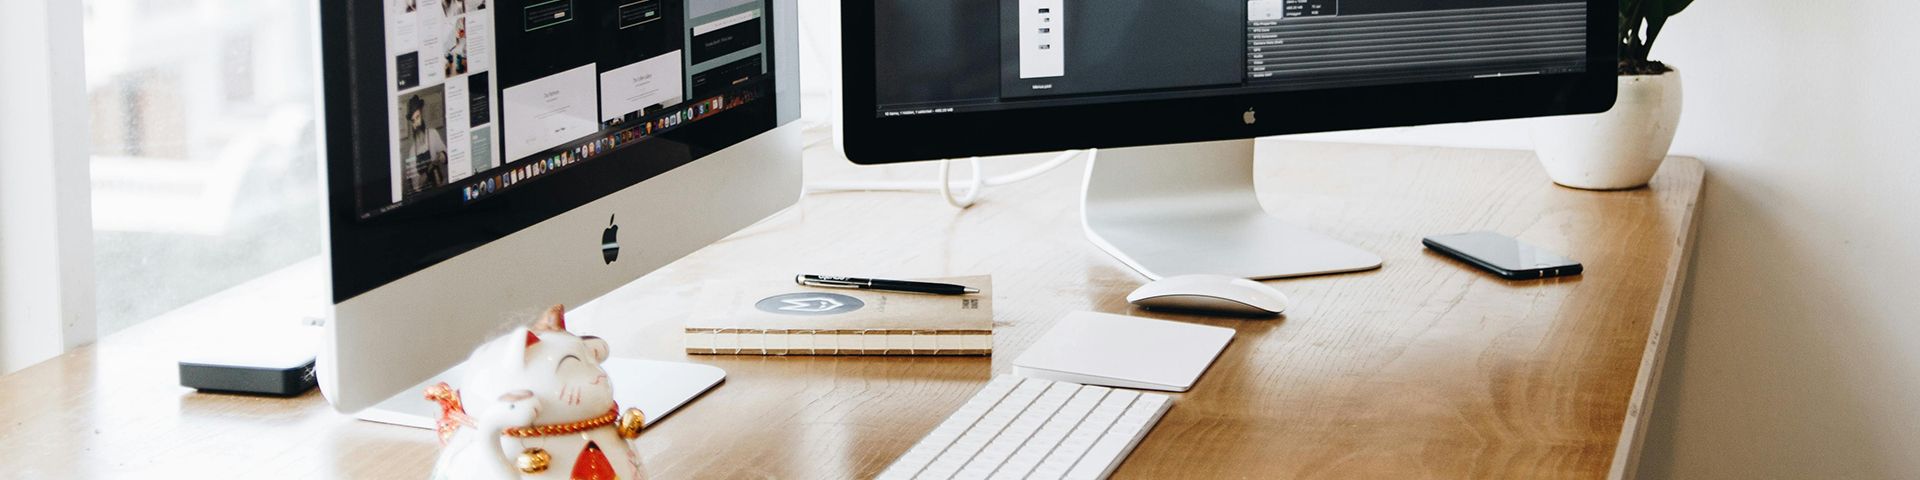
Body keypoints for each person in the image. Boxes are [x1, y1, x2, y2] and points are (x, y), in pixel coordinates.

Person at [401, 95, 449, 195]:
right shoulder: (412, 151)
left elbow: (447, 155)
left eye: (417, 117)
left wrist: (441, 156)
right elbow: (416, 186)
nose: (416, 124)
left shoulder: (432, 134)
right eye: (413, 121)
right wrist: (429, 169)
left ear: (422, 115)